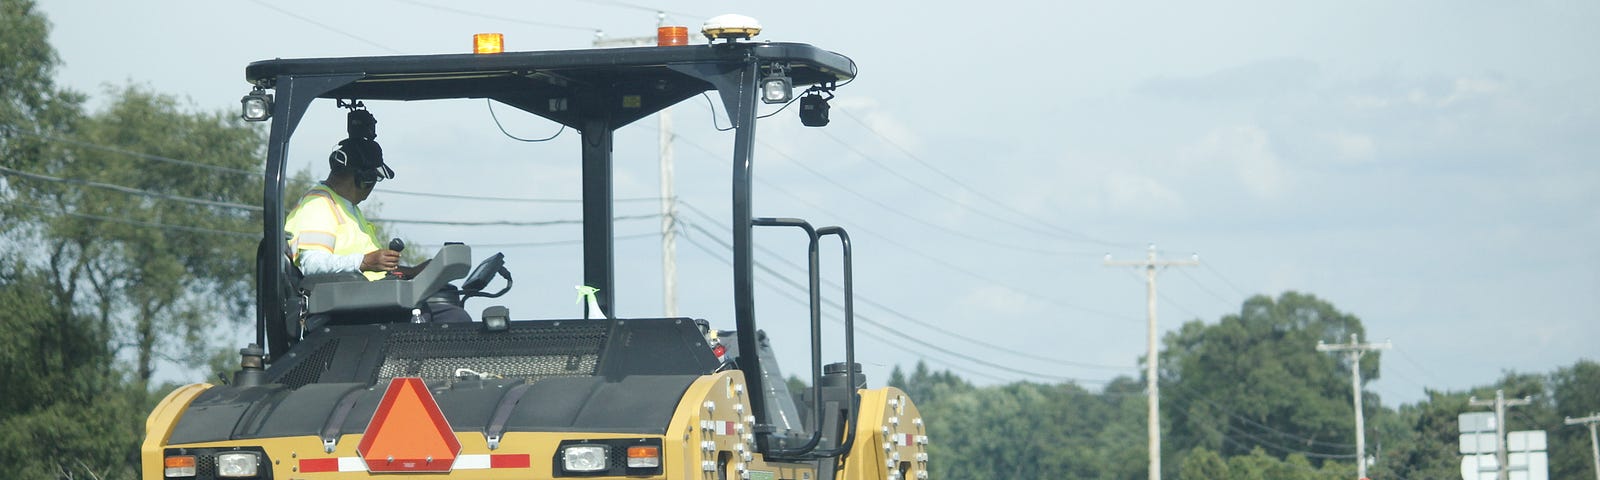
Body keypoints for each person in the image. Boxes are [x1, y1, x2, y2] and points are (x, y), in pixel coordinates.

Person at [284, 136, 399, 281]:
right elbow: (312, 263)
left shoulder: (348, 208)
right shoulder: (318, 204)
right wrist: (363, 262)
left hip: (367, 296)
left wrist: (416, 272)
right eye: (376, 178)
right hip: (348, 300)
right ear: (365, 180)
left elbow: (374, 271)